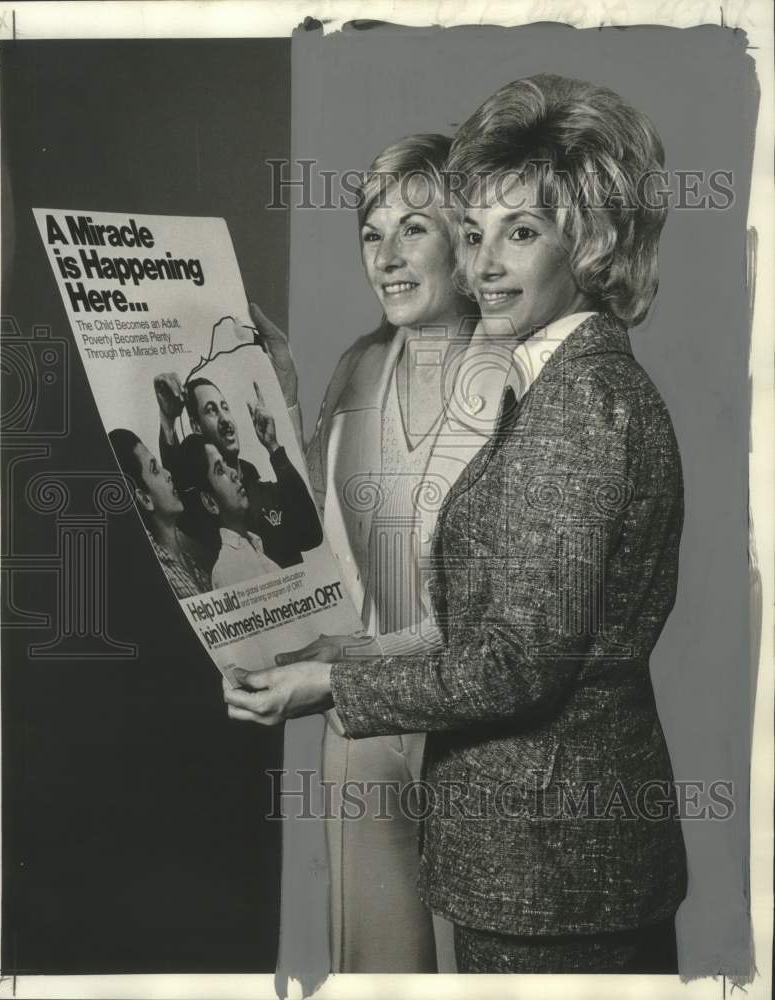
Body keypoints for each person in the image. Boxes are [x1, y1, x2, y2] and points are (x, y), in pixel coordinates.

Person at [225, 75, 689, 974]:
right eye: (476, 233)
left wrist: (333, 683)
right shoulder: (405, 366)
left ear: (586, 243)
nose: (482, 261)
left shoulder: (562, 391)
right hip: (466, 777)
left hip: (535, 825)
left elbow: (517, 659)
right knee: (375, 964)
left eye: (514, 233)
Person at [250, 134, 481, 972]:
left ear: (468, 236)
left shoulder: (525, 372)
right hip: (360, 724)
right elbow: (309, 538)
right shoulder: (358, 365)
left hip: (480, 724)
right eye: (370, 232)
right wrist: (270, 399)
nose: (385, 256)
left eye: (412, 229)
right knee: (375, 968)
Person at [153, 373, 322, 569]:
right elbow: (177, 485)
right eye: (211, 411)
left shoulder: (267, 492)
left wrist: (273, 447)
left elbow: (312, 535)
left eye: (225, 407)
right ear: (196, 426)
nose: (224, 418)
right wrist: (168, 420)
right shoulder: (207, 508)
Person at [108, 427, 211, 598]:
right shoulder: (157, 574)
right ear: (145, 499)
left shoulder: (192, 562)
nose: (168, 474)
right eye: (155, 470)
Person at [175, 433, 278, 587]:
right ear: (210, 502)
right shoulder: (226, 571)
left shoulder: (256, 543)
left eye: (226, 464)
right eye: (220, 470)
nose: (234, 473)